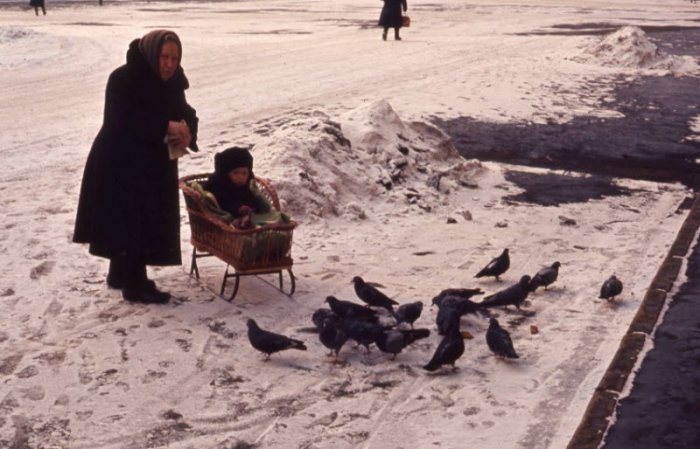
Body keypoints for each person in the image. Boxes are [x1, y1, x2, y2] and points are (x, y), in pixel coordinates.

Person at [73, 30, 199, 304]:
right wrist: (165, 126)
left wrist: (188, 130)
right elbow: (123, 120)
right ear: (152, 54)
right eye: (164, 57)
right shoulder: (123, 78)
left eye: (174, 58)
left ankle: (120, 273)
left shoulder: (172, 80)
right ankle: (135, 283)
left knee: (135, 218)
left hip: (151, 161)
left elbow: (184, 110)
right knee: (131, 218)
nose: (169, 64)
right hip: (119, 161)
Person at [202, 147, 274, 229]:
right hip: (226, 217)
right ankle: (240, 222)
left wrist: (253, 209)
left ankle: (250, 221)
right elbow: (222, 201)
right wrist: (238, 208)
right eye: (235, 173)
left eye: (244, 173)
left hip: (248, 215)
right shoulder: (218, 184)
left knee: (262, 214)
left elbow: (252, 197)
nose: (241, 177)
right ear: (225, 173)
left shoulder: (247, 185)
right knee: (230, 218)